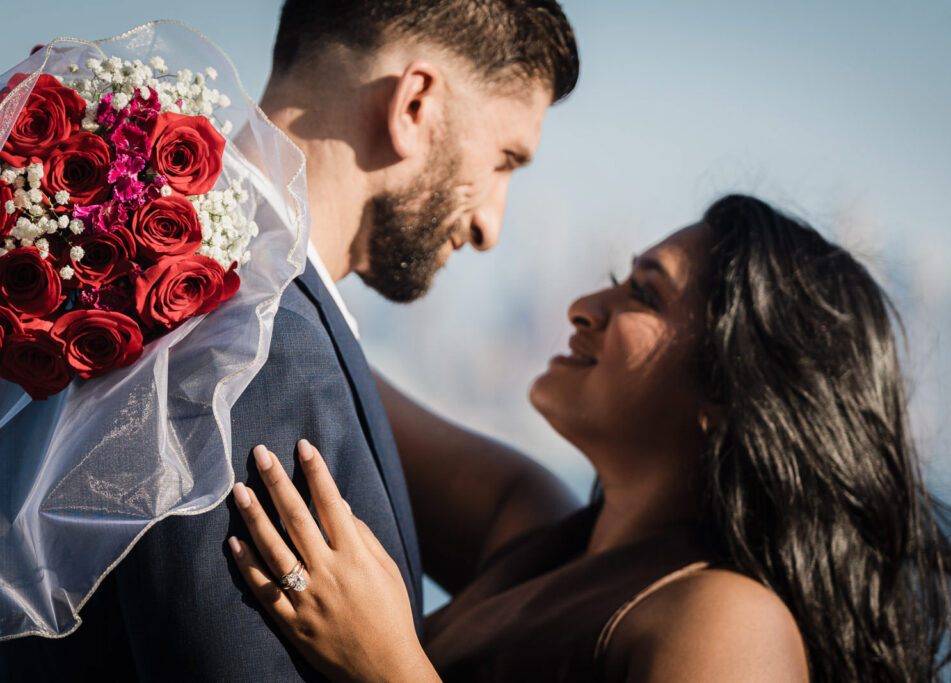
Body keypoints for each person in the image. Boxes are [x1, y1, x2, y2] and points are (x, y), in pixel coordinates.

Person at [0, 1, 578, 680]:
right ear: (415, 104)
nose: (491, 224)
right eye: (505, 160)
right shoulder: (262, 352)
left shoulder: (157, 291)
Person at [229, 195, 951, 682]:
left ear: (730, 390)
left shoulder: (727, 623)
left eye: (644, 294)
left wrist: (386, 666)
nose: (586, 305)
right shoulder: (532, 527)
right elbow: (319, 371)